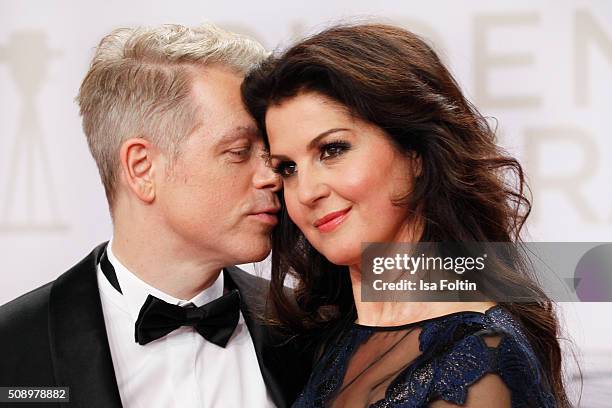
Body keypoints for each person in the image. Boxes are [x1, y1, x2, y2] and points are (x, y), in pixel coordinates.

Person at [242, 24, 571, 407]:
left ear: (415, 152)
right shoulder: (324, 336)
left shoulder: (480, 355)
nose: (307, 192)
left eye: (332, 150)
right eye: (287, 168)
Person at [0, 24, 312, 408]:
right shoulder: (12, 348)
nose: (271, 178)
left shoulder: (311, 328)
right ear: (142, 168)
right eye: (239, 151)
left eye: (271, 155)